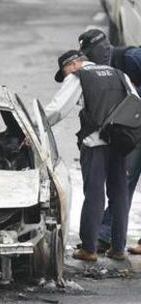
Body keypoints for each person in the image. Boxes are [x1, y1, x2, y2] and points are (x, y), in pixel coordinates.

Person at [45, 50, 138, 261]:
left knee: (94, 194)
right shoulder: (118, 73)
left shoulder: (80, 76)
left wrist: (36, 126)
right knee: (119, 194)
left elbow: (58, 109)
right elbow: (135, 100)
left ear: (74, 63)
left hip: (95, 143)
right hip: (119, 141)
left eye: (65, 71)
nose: (66, 76)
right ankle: (117, 248)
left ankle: (89, 248)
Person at [79, 29, 141, 254]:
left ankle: (104, 237)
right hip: (132, 127)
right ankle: (107, 237)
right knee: (124, 183)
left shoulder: (131, 59)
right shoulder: (115, 70)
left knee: (124, 182)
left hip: (134, 125)